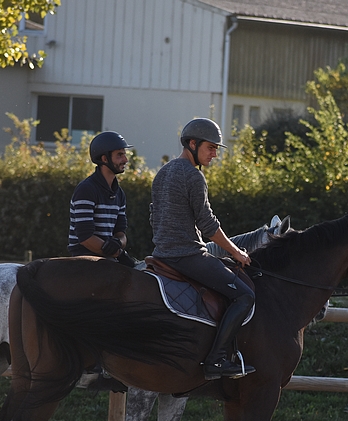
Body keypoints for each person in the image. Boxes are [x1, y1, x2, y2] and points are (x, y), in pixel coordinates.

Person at [150, 118, 255, 380]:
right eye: (210, 147)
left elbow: (153, 218)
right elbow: (208, 226)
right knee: (244, 297)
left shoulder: (162, 172)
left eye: (216, 149)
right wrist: (236, 253)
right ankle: (216, 361)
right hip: (187, 256)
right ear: (192, 144)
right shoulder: (193, 176)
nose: (215, 154)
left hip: (161, 255)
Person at [68, 131, 136, 267]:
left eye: (124, 154)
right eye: (120, 155)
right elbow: (85, 237)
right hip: (84, 260)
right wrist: (117, 253)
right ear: (105, 159)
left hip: (106, 258)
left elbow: (121, 232)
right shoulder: (86, 189)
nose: (125, 160)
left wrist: (118, 243)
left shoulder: (119, 193)